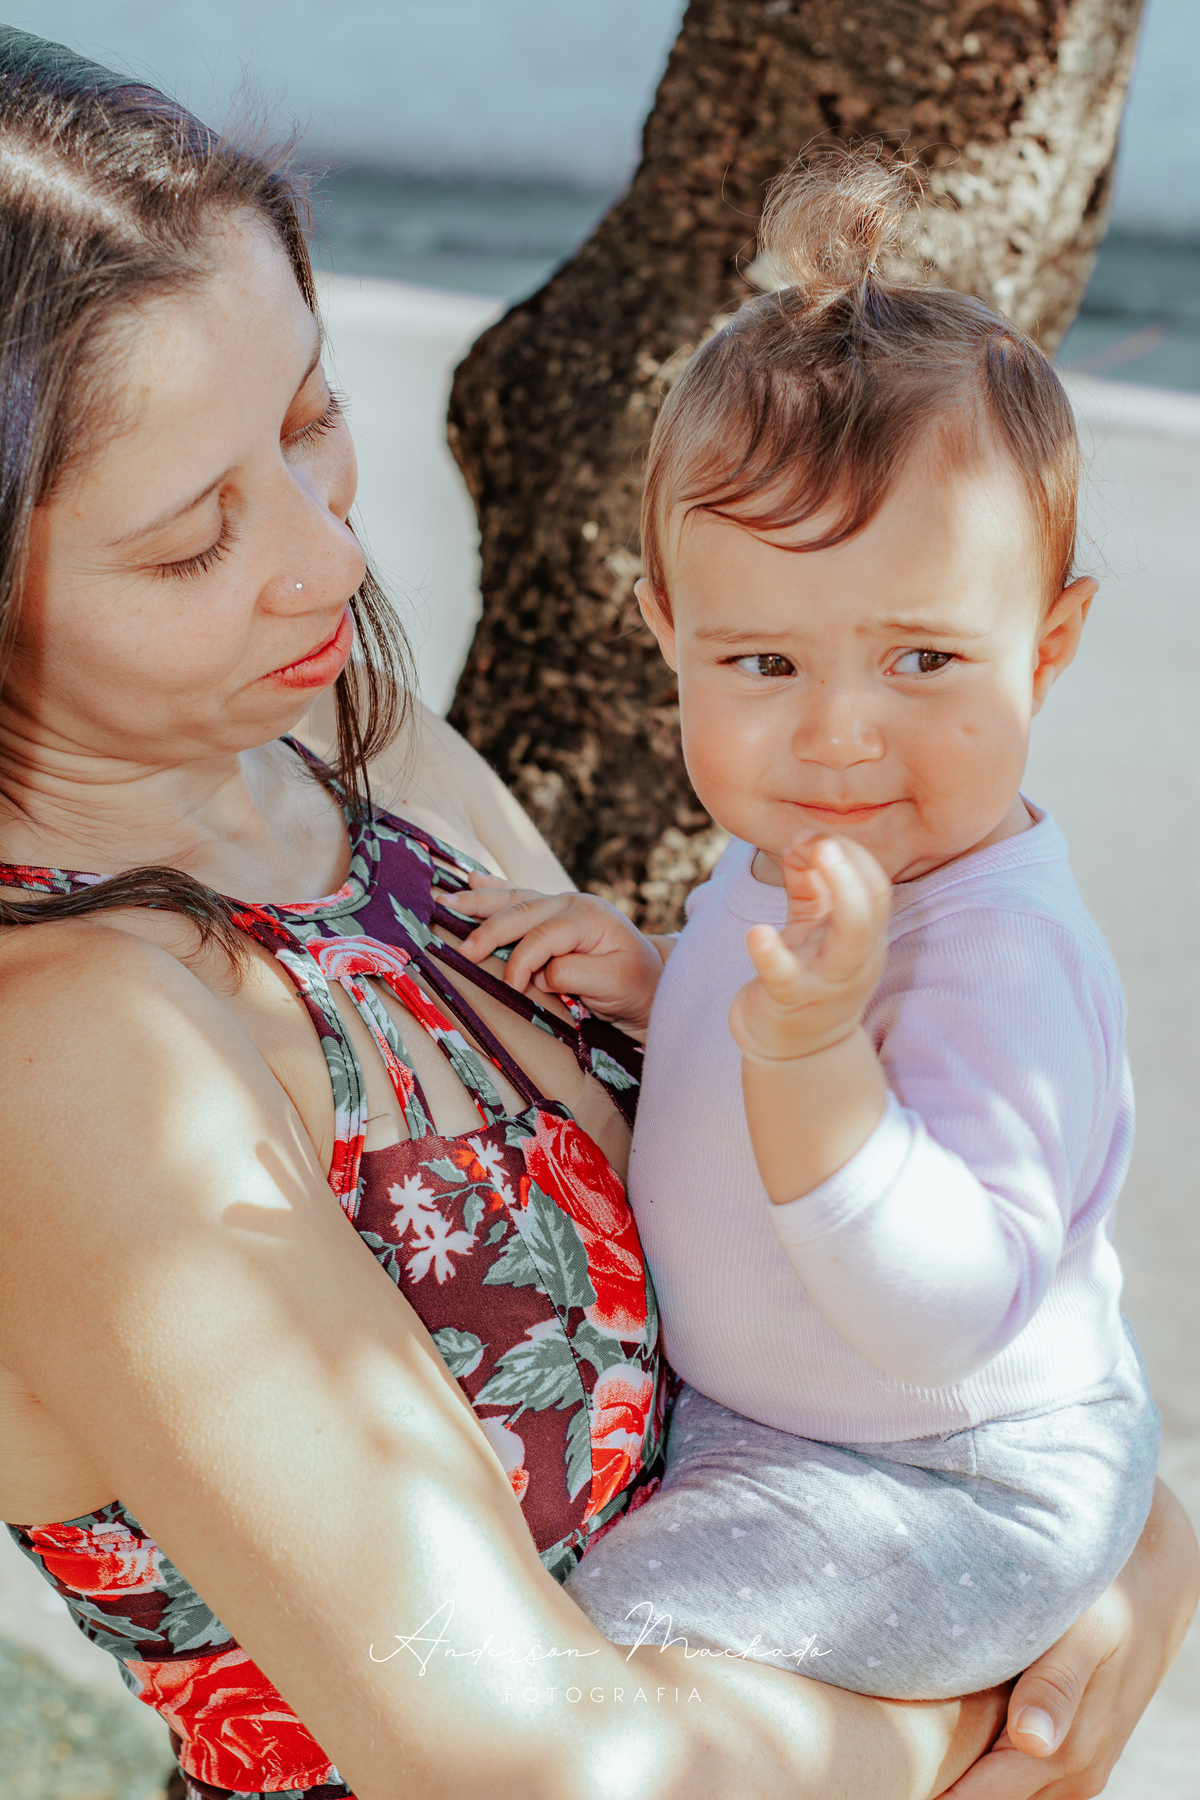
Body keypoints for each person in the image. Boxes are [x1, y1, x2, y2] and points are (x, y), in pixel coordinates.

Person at [0, 28, 1193, 1800]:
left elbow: (913, 1227)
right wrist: (993, 1708)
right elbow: (536, 1764)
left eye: (311, 420)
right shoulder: (76, 1059)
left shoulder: (346, 748)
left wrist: (1123, 1545)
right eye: (191, 541)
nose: (332, 559)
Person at [453, 155, 1178, 1702]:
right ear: (669, 635)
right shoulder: (805, 858)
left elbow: (940, 1310)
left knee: (589, 1658)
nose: (840, 736)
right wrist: (664, 985)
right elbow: (797, 1056)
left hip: (956, 1480)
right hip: (789, 1433)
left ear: (1047, 646)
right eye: (766, 664)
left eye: (923, 660)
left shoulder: (1002, 955)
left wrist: (803, 1049)